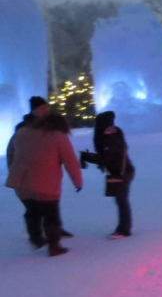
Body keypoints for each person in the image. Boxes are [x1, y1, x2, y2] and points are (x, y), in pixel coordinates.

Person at [5, 113, 83, 256]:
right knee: (50, 213)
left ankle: (36, 238)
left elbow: (11, 154)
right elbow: (70, 161)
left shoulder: (21, 132)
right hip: (46, 184)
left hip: (22, 184)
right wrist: (77, 181)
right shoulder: (58, 135)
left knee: (31, 210)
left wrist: (14, 174)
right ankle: (54, 246)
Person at [9, 95, 74, 241]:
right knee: (34, 208)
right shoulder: (23, 128)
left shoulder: (50, 124)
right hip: (27, 174)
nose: (45, 110)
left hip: (47, 172)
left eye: (46, 108)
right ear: (34, 110)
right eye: (42, 108)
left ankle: (55, 229)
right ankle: (36, 235)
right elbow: (14, 151)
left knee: (51, 203)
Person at [80, 111, 135, 239]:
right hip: (122, 171)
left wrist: (88, 157)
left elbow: (107, 158)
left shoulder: (111, 137)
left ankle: (124, 229)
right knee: (121, 201)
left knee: (122, 201)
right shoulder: (112, 135)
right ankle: (123, 228)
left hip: (122, 172)